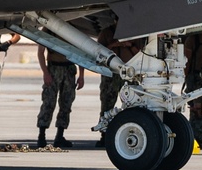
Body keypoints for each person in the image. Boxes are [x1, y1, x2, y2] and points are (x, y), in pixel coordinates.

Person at [95, 18, 140, 146]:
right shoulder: (106, 33)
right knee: (107, 104)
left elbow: (140, 53)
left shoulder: (134, 33)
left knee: (133, 104)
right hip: (111, 74)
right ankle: (104, 135)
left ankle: (132, 133)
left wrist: (129, 44)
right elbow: (98, 51)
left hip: (129, 74)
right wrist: (115, 44)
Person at [37, 46, 85, 148]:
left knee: (66, 103)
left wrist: (81, 76)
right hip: (53, 69)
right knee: (48, 102)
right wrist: (45, 73)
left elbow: (80, 54)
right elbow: (40, 52)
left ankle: (59, 136)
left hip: (69, 68)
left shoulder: (73, 33)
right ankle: (41, 136)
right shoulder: (48, 31)